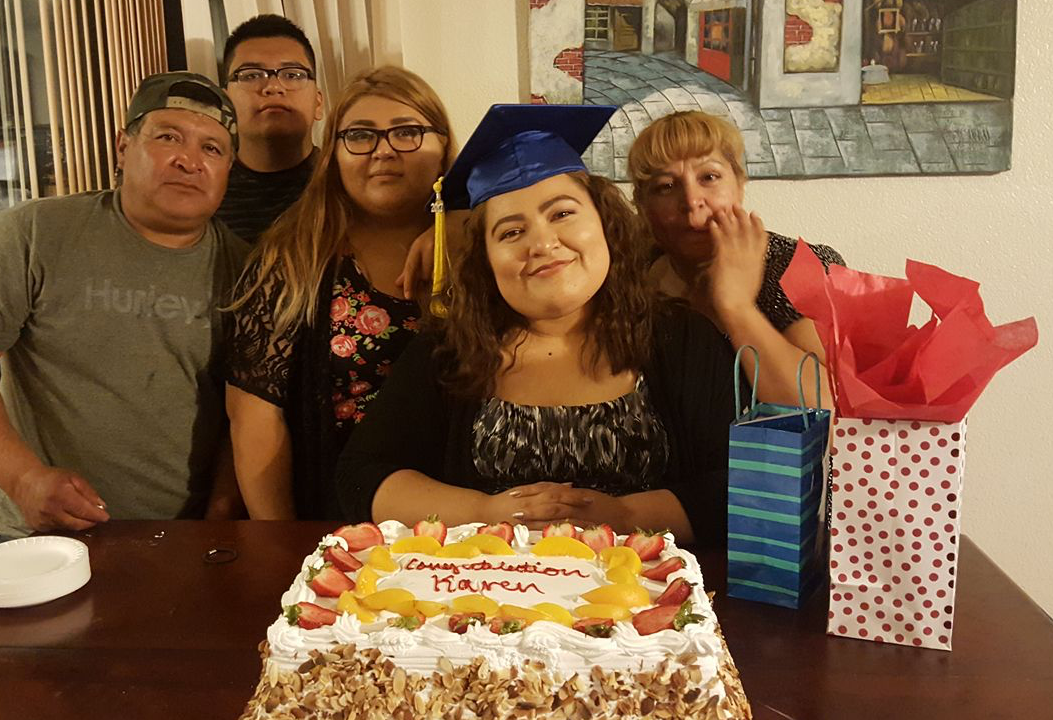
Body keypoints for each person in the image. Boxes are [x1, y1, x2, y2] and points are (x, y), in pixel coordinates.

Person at [335, 105, 741, 547]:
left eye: (563, 214)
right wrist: (486, 512)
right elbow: (362, 479)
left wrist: (624, 514)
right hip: (488, 603)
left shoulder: (681, 339)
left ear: (605, 224)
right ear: (486, 262)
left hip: (648, 600)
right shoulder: (449, 350)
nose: (543, 244)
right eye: (511, 232)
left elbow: (736, 489)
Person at [0, 72, 248, 535]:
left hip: (178, 542)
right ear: (123, 146)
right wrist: (22, 478)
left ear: (228, 169)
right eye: (168, 137)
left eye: (212, 149)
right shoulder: (34, 233)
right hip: (34, 539)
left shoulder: (249, 272)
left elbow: (249, 413)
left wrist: (220, 515)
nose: (188, 160)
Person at [225, 66, 456, 520]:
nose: (383, 151)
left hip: (472, 519)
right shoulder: (293, 256)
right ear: (333, 152)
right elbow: (255, 416)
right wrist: (279, 541)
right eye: (360, 135)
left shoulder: (491, 246)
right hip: (337, 519)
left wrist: (462, 228)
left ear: (444, 144)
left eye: (407, 132)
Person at [628, 111, 845, 408]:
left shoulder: (793, 265)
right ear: (641, 205)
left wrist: (736, 307)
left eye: (709, 177)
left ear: (739, 185)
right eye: (666, 186)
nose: (691, 201)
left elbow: (823, 411)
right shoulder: (628, 273)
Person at [215, 14, 323, 244]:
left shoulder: (347, 183)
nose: (273, 87)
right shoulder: (202, 189)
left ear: (318, 103)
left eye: (292, 75)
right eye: (251, 75)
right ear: (225, 103)